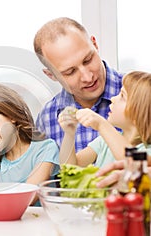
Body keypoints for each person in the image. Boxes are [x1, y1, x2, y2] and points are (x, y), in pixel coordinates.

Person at [33, 17, 123, 152]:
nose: (88, 77)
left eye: (88, 60)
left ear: (95, 44)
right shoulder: (46, 119)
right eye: (70, 72)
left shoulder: (143, 93)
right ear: (51, 75)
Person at [58, 71, 151, 168]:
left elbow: (133, 162)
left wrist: (102, 124)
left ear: (140, 112)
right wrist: (69, 134)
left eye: (122, 96)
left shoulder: (148, 151)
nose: (113, 98)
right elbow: (70, 167)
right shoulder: (104, 141)